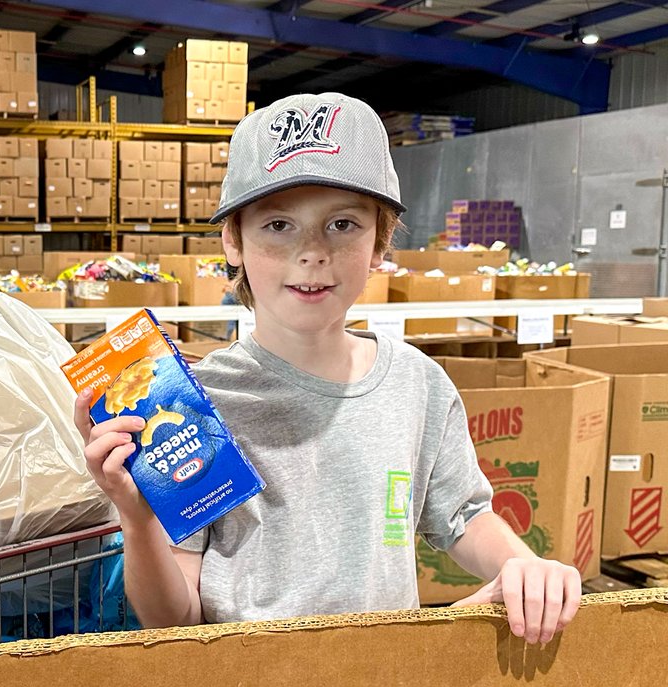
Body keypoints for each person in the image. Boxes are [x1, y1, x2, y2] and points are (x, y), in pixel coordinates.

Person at [74, 92, 582, 644]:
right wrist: (138, 517)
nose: (312, 252)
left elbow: (464, 516)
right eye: (278, 225)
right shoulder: (189, 406)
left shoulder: (418, 384)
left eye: (342, 224)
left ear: (381, 241)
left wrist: (521, 565)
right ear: (232, 240)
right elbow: (173, 619)